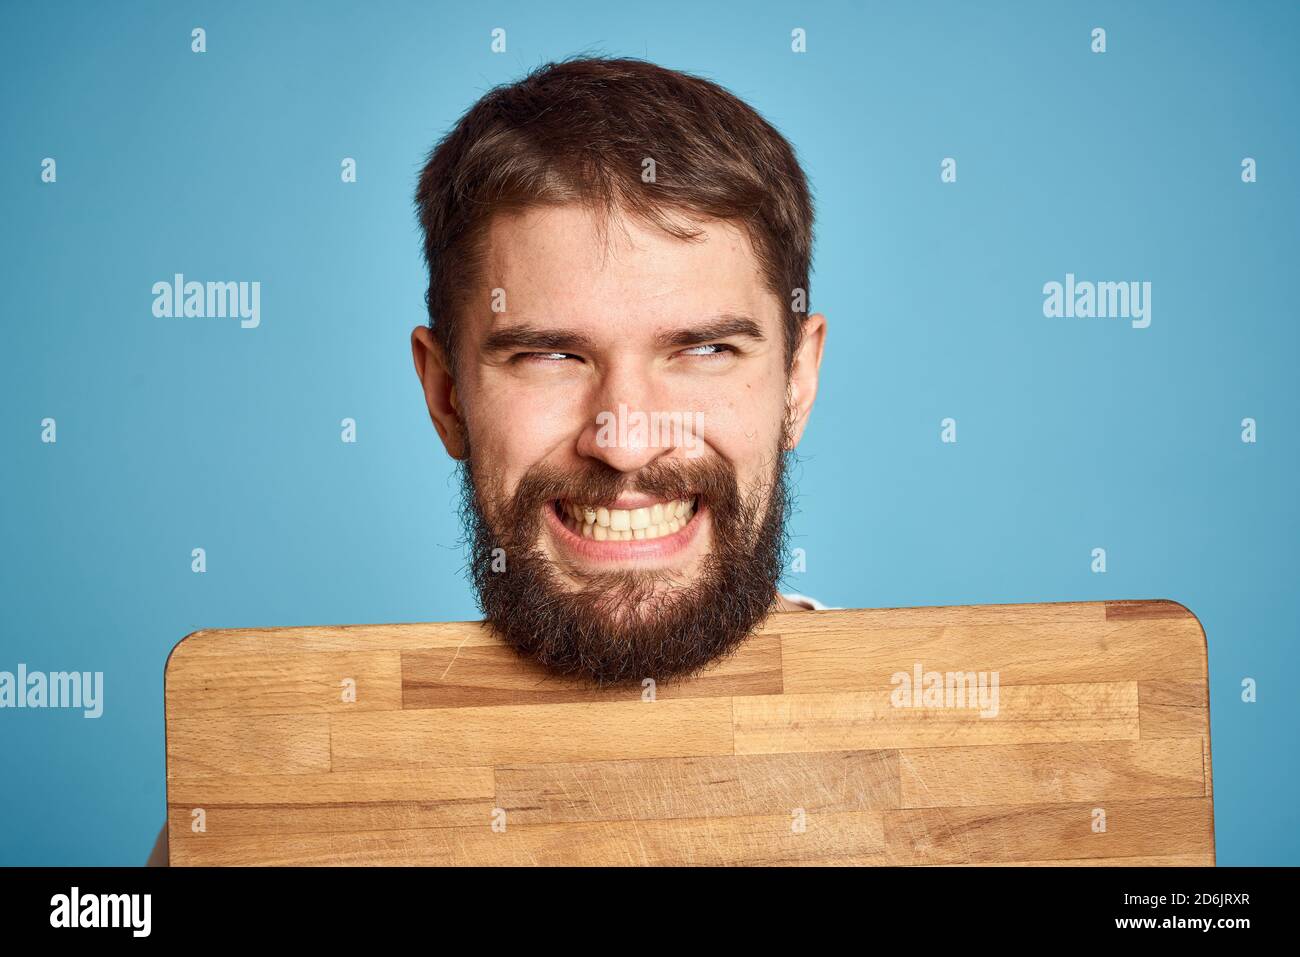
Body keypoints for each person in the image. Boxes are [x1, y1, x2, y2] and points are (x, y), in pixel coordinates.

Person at [148, 56, 829, 865]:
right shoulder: (258, 815)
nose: (626, 439)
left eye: (705, 349)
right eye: (549, 356)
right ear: (445, 395)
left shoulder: (961, 762)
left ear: (796, 380)